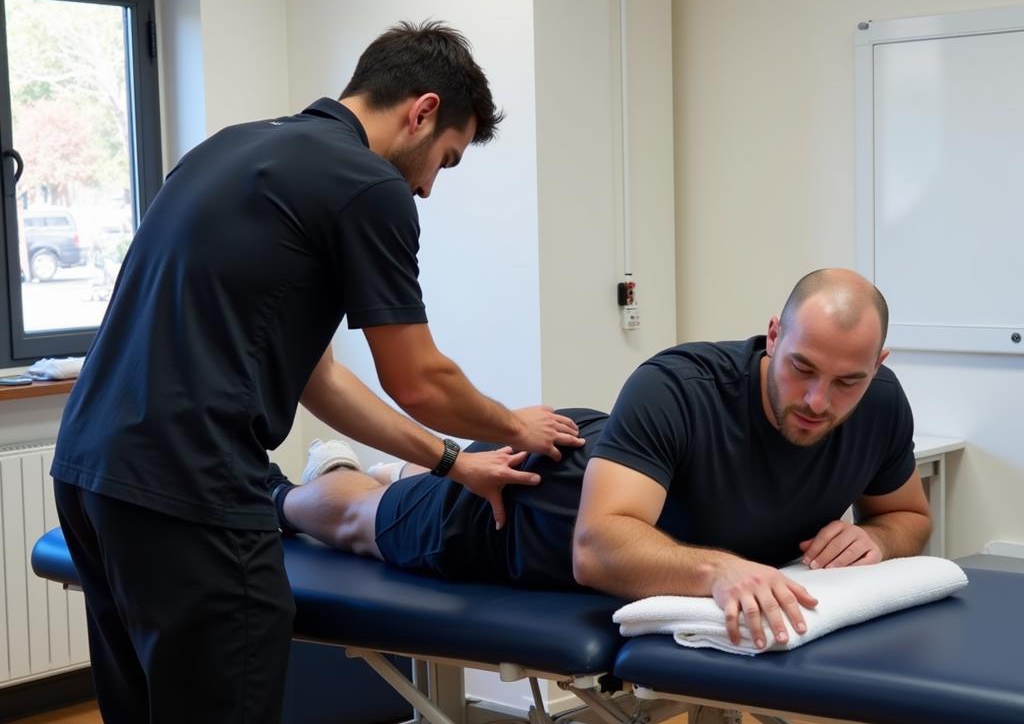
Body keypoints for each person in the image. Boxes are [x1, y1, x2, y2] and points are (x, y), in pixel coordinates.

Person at [49, 21, 582, 724]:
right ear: (422, 114)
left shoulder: (230, 152)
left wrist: (453, 461)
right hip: (195, 500)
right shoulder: (370, 187)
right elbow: (420, 376)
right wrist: (512, 424)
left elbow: (314, 374)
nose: (429, 184)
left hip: (94, 475)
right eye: (445, 160)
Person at [273, 269, 931, 656]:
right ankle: (288, 494)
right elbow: (596, 548)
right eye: (802, 370)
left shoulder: (879, 407)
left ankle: (369, 468)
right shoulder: (680, 386)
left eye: (847, 382)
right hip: (522, 512)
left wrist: (875, 535)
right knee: (361, 517)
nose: (819, 401)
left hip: (598, 460)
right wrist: (721, 569)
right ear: (773, 335)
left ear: (878, 366)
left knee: (395, 484)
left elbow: (906, 514)